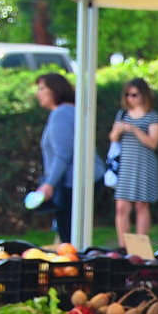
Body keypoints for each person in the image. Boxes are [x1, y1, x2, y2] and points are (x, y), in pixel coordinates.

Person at [34, 73, 102, 246]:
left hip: (75, 182)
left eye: (42, 89)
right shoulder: (70, 111)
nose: (38, 93)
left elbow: (63, 153)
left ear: (55, 90)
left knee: (69, 238)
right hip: (81, 180)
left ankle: (72, 270)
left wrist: (49, 184)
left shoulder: (62, 113)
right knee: (70, 235)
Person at [108, 78, 158, 249]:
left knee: (141, 205)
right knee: (121, 206)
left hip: (143, 164)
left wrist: (135, 130)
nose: (131, 99)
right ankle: (123, 245)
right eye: (128, 95)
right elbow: (113, 138)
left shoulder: (152, 116)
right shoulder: (122, 114)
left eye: (135, 95)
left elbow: (153, 142)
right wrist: (119, 130)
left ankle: (140, 247)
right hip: (126, 165)